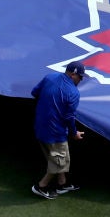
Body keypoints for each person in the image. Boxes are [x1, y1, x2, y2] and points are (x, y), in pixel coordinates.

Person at [31, 62, 86, 199]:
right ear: (73, 74)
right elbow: (69, 117)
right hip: (55, 133)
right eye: (80, 77)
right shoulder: (73, 92)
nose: (81, 80)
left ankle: (62, 183)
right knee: (59, 162)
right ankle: (41, 186)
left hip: (40, 126)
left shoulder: (50, 77)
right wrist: (74, 133)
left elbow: (34, 92)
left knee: (56, 158)